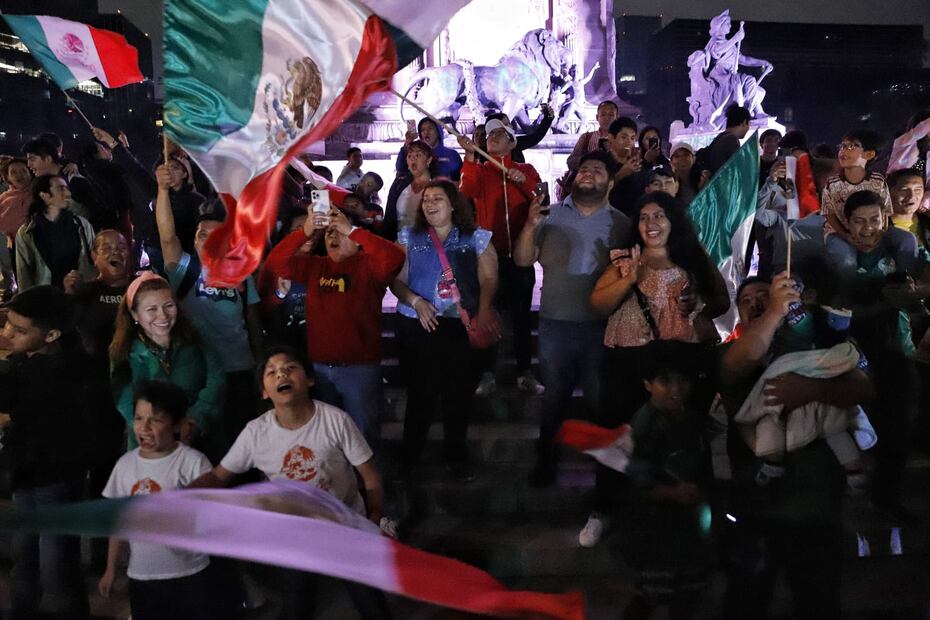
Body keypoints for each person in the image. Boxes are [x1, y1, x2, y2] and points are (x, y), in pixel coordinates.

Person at [189, 346, 392, 619]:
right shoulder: (255, 433)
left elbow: (369, 475)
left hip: (344, 527)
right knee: (298, 605)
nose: (281, 373)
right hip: (295, 536)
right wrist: (179, 498)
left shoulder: (335, 420)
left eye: (290, 367)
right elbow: (218, 476)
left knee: (370, 602)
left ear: (308, 380)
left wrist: (374, 516)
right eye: (271, 372)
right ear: (264, 391)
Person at [719, 274, 874, 620]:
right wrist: (773, 312)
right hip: (755, 511)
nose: (758, 302)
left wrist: (810, 390)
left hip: (816, 512)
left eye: (767, 295)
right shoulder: (734, 351)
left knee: (818, 602)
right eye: (748, 300)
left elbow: (862, 386)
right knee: (746, 603)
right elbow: (734, 368)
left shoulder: (818, 342)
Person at [584, 191, 728, 547]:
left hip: (681, 358)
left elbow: (722, 301)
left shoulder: (693, 258)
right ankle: (604, 509)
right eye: (645, 217)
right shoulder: (623, 260)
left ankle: (693, 508)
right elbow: (598, 303)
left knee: (685, 435)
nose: (651, 223)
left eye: (660, 215)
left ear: (673, 221)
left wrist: (700, 301)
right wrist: (628, 280)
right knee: (618, 434)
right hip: (628, 358)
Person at [513, 151, 632, 487]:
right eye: (583, 169)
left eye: (597, 170)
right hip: (556, 322)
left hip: (601, 325)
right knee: (554, 397)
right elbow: (523, 260)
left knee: (598, 398)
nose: (588, 174)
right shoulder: (548, 216)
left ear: (610, 182)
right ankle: (546, 461)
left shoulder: (622, 224)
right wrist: (530, 225)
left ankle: (605, 472)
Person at [0, 286, 109, 620]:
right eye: (7, 324)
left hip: (58, 479)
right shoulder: (29, 361)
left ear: (51, 334)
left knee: (56, 565)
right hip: (27, 474)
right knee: (25, 557)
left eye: (19, 330)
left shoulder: (62, 370)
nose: (7, 333)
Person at [262, 201, 404, 451]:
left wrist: (352, 230)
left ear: (355, 237)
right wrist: (305, 230)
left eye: (339, 231)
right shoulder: (316, 266)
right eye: (328, 231)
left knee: (364, 436)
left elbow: (395, 257)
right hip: (320, 370)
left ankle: (369, 487)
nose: (332, 235)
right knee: (328, 437)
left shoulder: (369, 266)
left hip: (359, 370)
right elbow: (276, 263)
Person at [390, 180, 501, 480]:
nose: (430, 203)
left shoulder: (475, 237)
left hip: (458, 326)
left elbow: (490, 278)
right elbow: (396, 280)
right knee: (419, 395)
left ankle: (455, 457)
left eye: (438, 198)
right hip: (417, 324)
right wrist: (415, 301)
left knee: (457, 395)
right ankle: (409, 459)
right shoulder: (409, 237)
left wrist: (485, 307)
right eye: (426, 198)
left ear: (453, 204)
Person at [154, 164, 263, 440]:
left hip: (238, 368)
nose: (206, 238)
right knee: (202, 439)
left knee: (239, 438)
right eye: (201, 233)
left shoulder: (242, 273)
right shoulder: (185, 270)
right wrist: (162, 189)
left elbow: (253, 321)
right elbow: (167, 236)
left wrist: (260, 365)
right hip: (198, 371)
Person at [99, 380, 220, 620]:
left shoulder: (193, 463)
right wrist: (111, 568)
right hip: (142, 575)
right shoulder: (125, 465)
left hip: (189, 573)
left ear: (177, 425)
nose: (144, 427)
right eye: (138, 418)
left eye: (155, 420)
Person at [842, 191, 923, 522]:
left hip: (898, 355)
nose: (867, 229)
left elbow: (922, 289)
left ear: (884, 220)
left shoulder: (900, 255)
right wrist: (883, 301)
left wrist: (914, 294)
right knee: (854, 432)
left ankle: (886, 498)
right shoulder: (839, 260)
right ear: (847, 225)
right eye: (859, 222)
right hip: (852, 360)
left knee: (898, 433)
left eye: (874, 220)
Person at [621, 341, 713, 620]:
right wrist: (673, 493)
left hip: (687, 525)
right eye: (665, 382)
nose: (676, 390)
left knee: (686, 590)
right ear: (648, 384)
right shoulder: (644, 425)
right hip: (656, 527)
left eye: (682, 381)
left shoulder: (692, 418)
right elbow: (636, 483)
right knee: (652, 591)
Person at [458, 118, 542, 395]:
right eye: (488, 134)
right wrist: (469, 156)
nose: (491, 137)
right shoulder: (481, 172)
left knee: (521, 318)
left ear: (510, 141)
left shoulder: (525, 169)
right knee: (488, 315)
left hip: (519, 257)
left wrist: (523, 183)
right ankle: (486, 373)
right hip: (489, 260)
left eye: (498, 134)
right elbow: (465, 192)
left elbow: (540, 200)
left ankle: (525, 371)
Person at [109, 272, 227, 461]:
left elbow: (216, 377)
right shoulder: (122, 350)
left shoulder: (195, 334)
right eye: (151, 309)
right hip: (149, 444)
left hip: (200, 437)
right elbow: (124, 400)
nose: (162, 315)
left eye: (168, 306)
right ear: (134, 314)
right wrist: (160, 431)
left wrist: (193, 421)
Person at [821, 129, 915, 280]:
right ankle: (849, 296)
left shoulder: (877, 181)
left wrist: (880, 233)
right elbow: (829, 214)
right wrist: (845, 236)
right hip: (839, 233)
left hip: (875, 229)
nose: (844, 150)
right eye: (843, 146)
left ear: (869, 154)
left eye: (852, 146)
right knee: (846, 260)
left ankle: (904, 283)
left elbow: (885, 212)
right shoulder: (833, 183)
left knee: (907, 240)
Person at [15, 174, 96, 290]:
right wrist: (28, 304)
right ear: (45, 196)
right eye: (61, 188)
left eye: (67, 188)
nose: (68, 194)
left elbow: (93, 262)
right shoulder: (27, 232)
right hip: (48, 301)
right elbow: (24, 276)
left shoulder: (81, 225)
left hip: (80, 297)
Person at [22, 137, 115, 230]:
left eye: (32, 159)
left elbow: (102, 212)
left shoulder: (74, 181)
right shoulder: (42, 185)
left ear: (48, 159)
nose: (29, 165)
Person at [383, 140, 435, 241]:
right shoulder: (399, 184)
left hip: (428, 243)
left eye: (418, 155)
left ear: (428, 160)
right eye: (410, 156)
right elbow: (389, 218)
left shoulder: (439, 186)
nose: (413, 159)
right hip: (399, 244)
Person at [395, 117, 462, 181]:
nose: (426, 132)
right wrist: (407, 143)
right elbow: (400, 168)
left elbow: (459, 178)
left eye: (430, 128)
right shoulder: (415, 154)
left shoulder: (452, 154)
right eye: (423, 130)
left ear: (438, 132)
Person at [486, 104, 555, 164]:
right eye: (506, 124)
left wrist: (548, 118)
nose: (511, 127)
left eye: (509, 123)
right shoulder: (482, 152)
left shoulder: (514, 143)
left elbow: (536, 137)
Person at [566, 100, 619, 171]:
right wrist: (590, 158)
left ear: (617, 117)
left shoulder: (622, 139)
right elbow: (571, 161)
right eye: (603, 114)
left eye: (611, 115)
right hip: (589, 179)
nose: (607, 118)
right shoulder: (586, 137)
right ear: (597, 117)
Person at [703, 104, 751, 177]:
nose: (748, 128)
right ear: (744, 122)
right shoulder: (732, 140)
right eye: (749, 124)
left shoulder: (720, 137)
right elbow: (736, 171)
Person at [888, 167, 929, 248]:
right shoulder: (882, 227)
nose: (912, 196)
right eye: (904, 190)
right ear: (890, 191)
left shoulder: (927, 221)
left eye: (917, 190)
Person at [0, 157, 33, 241]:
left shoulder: (39, 194)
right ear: (7, 177)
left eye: (23, 171)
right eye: (13, 172)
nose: (19, 175)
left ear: (30, 172)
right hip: (12, 245)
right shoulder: (3, 198)